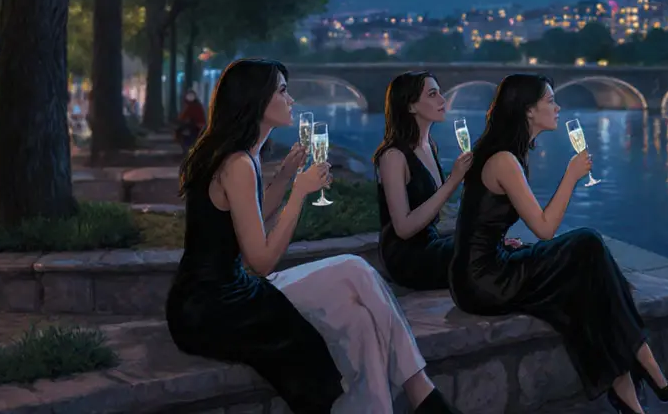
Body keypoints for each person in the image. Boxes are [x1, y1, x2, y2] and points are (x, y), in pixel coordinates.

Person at [165, 58, 459, 414]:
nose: (291, 100)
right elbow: (260, 261)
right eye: (283, 91)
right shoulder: (238, 164)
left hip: (226, 293)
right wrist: (300, 193)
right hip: (213, 306)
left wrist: (288, 175)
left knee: (359, 320)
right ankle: (422, 394)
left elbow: (251, 217)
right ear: (257, 100)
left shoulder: (240, 157)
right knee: (354, 268)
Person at [448, 74, 668, 413]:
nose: (558, 108)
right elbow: (544, 229)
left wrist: (499, 241)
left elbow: (480, 223)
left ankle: (631, 398)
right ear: (529, 111)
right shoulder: (504, 160)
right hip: (483, 281)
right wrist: (571, 176)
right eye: (550, 101)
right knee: (587, 245)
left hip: (482, 271)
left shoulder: (504, 155)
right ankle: (647, 364)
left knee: (585, 284)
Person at [373, 72, 472, 290]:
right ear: (410, 106)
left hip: (431, 243)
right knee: (482, 252)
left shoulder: (430, 146)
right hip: (406, 258)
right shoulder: (393, 157)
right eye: (432, 94)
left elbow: (436, 207)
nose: (442, 100)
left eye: (440, 93)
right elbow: (404, 228)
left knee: (491, 242)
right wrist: (453, 181)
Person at [176, 89, 207, 154]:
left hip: (195, 125)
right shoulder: (197, 105)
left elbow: (183, 117)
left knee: (180, 131)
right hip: (198, 125)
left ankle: (187, 147)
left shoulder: (190, 106)